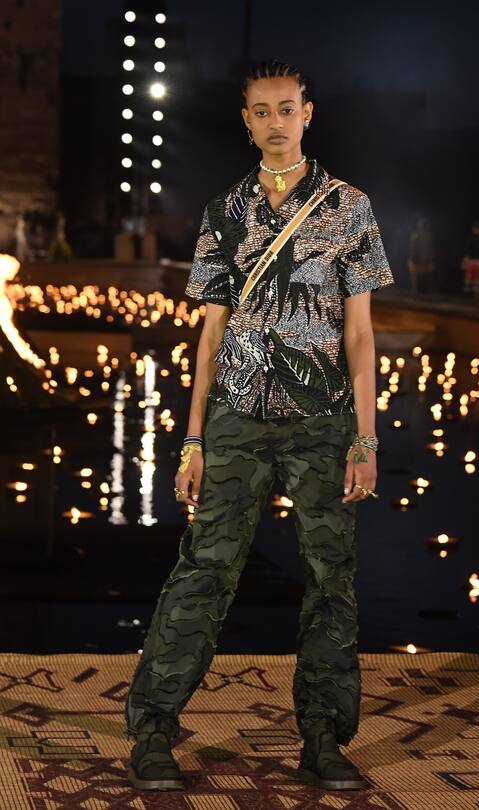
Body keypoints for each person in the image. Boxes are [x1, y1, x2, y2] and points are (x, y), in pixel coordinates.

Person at [125, 59, 395, 793]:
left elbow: (361, 338)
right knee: (204, 569)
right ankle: (152, 729)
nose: (276, 122)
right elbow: (208, 338)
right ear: (246, 122)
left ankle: (323, 737)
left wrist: (366, 439)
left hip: (322, 421)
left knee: (328, 576)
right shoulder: (224, 212)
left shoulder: (350, 208)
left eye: (287, 108)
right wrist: (191, 438)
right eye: (261, 111)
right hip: (236, 419)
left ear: (309, 113)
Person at [408, 217, 434, 294]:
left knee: (423, 275)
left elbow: (430, 248)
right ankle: (418, 290)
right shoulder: (416, 236)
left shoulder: (426, 236)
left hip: (424, 258)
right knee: (417, 275)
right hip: (418, 258)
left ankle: (421, 290)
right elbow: (412, 247)